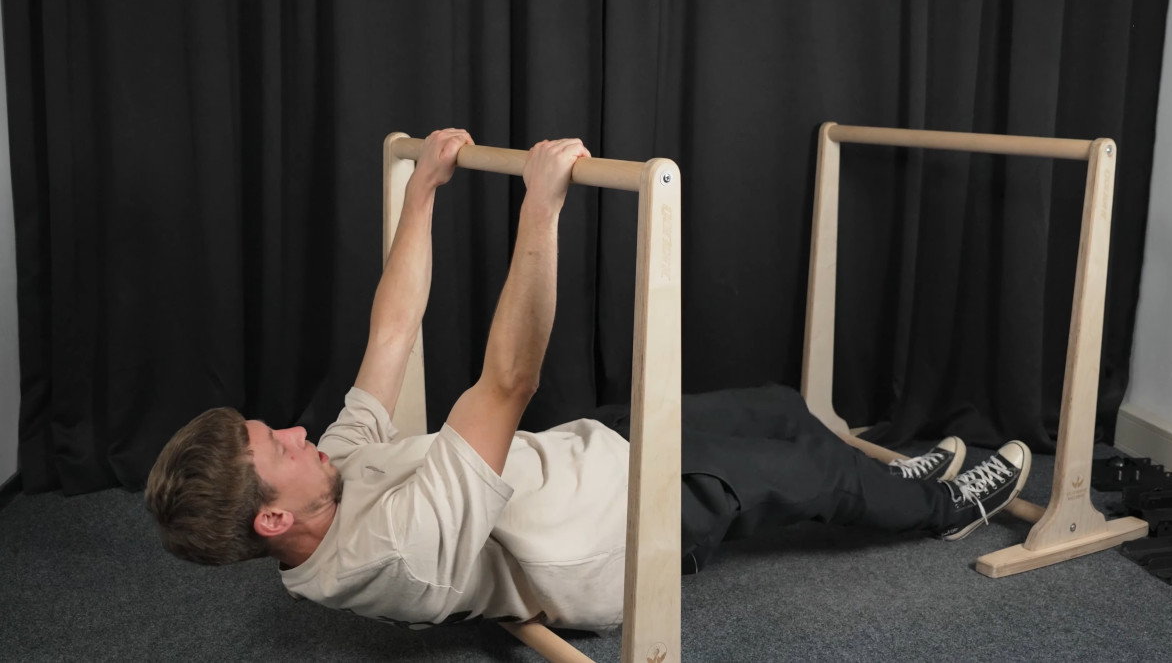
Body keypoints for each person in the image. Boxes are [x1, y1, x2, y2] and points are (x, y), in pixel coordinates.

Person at [145, 129, 1032, 632]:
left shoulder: (322, 489)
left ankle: (896, 476)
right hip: (610, 529)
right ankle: (945, 508)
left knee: (779, 408)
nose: (298, 432)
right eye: (278, 445)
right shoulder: (389, 550)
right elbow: (508, 380)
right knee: (813, 479)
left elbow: (392, 332)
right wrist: (543, 204)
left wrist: (419, 197)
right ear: (272, 517)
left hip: (577, 454)